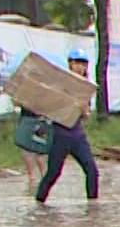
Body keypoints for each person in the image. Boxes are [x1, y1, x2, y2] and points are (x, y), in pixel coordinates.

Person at [36, 51, 100, 204]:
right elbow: (49, 107)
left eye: (83, 64)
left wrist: (84, 109)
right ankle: (39, 201)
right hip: (60, 133)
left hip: (77, 135)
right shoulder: (60, 84)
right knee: (54, 173)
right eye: (77, 63)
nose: (80, 67)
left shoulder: (86, 88)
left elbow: (86, 115)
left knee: (92, 170)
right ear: (70, 64)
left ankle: (92, 205)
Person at [13, 105, 50, 193]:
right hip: (30, 118)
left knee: (40, 153)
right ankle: (34, 178)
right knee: (29, 149)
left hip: (41, 118)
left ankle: (39, 179)